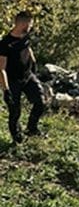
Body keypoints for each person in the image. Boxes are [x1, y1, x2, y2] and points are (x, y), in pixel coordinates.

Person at [0, 11, 45, 144]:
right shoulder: (4, 44)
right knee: (15, 112)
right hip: (13, 82)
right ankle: (17, 139)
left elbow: (28, 48)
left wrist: (33, 62)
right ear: (23, 24)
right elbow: (1, 69)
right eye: (30, 24)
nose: (31, 27)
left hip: (28, 76)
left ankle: (32, 128)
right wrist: (6, 90)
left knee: (41, 102)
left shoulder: (26, 36)